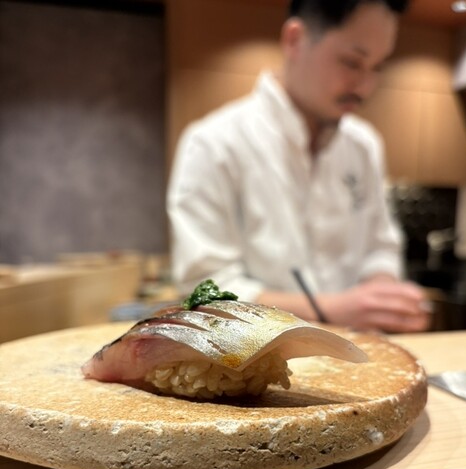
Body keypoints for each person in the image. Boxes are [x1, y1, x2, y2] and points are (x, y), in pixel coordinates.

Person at [167, 0, 431, 333]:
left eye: (377, 67)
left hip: (362, 354)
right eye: (352, 62)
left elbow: (381, 247)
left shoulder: (363, 145)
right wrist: (333, 310)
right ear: (295, 39)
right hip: (258, 360)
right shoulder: (214, 144)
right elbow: (203, 292)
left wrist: (382, 297)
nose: (366, 87)